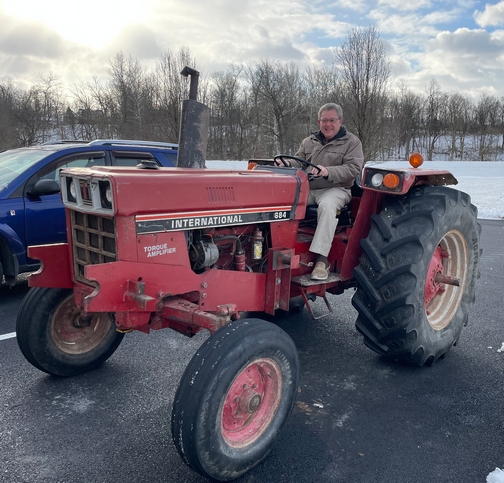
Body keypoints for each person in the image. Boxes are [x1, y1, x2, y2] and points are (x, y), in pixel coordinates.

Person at [276, 103, 364, 280]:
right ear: (319, 122)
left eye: (332, 120)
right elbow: (299, 161)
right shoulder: (309, 141)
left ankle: (322, 261)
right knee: (281, 201)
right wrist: (286, 163)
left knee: (327, 205)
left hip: (337, 188)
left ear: (340, 121)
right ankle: (279, 249)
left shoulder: (351, 142)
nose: (328, 124)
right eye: (324, 120)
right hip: (309, 189)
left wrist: (328, 171)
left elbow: (353, 169)